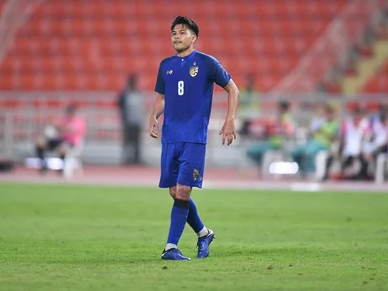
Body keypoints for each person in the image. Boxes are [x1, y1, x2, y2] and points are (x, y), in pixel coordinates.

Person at [149, 16, 239, 261]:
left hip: (194, 138)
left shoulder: (206, 63)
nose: (176, 36)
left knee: (183, 191)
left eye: (181, 32)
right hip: (170, 138)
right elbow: (162, 98)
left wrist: (229, 119)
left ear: (193, 37)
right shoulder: (165, 65)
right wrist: (154, 116)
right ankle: (204, 233)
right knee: (175, 192)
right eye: (173, 33)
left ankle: (170, 247)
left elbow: (233, 88)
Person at [35, 104, 86, 174]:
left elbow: (71, 131)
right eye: (68, 111)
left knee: (63, 148)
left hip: (71, 143)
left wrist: (59, 127)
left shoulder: (79, 122)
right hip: (60, 139)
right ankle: (43, 165)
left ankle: (61, 169)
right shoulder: (63, 119)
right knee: (40, 142)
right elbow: (55, 128)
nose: (69, 113)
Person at [245, 100, 295, 172]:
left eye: (279, 108)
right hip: (270, 142)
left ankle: (261, 165)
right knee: (252, 150)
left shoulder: (286, 118)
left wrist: (277, 131)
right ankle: (261, 165)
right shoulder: (278, 117)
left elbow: (289, 131)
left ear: (283, 108)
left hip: (277, 144)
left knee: (251, 150)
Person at [291, 103, 339, 176]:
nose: (327, 115)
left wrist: (322, 132)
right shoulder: (322, 122)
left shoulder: (335, 124)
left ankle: (312, 171)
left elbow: (334, 138)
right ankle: (302, 170)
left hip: (324, 144)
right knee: (295, 152)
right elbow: (312, 132)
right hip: (313, 142)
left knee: (309, 152)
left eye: (329, 113)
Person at [118, 73, 145, 165]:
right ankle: (127, 159)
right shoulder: (125, 94)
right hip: (128, 121)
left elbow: (141, 107)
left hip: (137, 121)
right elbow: (120, 106)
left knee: (137, 142)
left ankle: (137, 159)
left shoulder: (139, 93)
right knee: (127, 141)